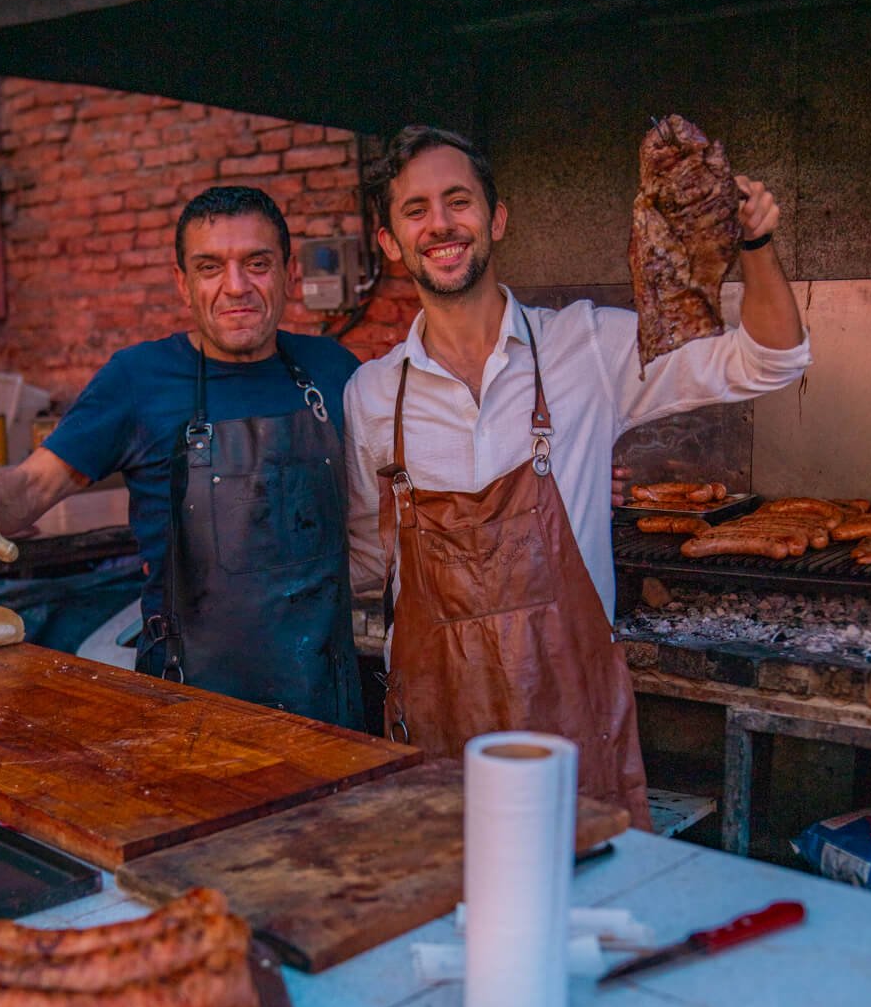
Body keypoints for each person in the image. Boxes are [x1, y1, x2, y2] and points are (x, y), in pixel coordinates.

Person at [344, 125, 811, 826]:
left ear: (496, 219)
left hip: (573, 722)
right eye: (415, 210)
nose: (440, 224)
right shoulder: (373, 395)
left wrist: (757, 247)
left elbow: (769, 361)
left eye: (458, 201)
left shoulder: (586, 345)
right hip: (435, 736)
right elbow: (367, 561)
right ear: (388, 240)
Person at [0, 185, 363, 726]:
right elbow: (32, 490)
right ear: (182, 283)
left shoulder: (334, 370)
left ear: (290, 273)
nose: (236, 286)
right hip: (191, 712)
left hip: (330, 706)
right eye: (209, 267)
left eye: (257, 263)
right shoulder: (138, 380)